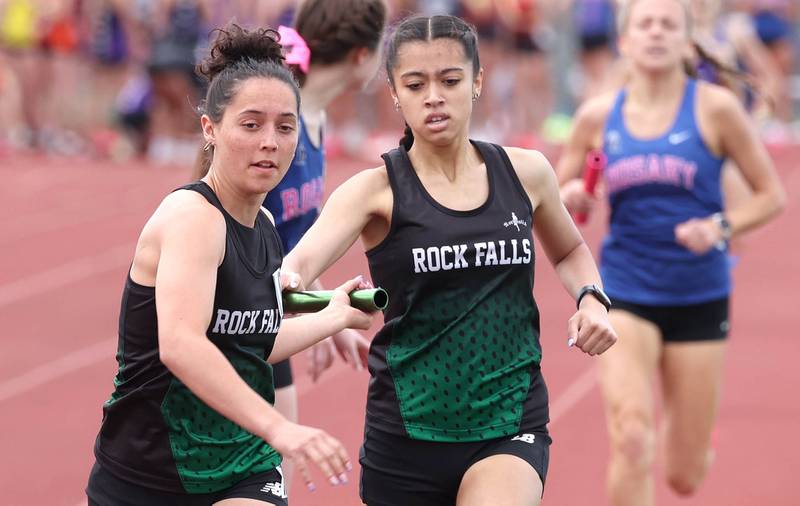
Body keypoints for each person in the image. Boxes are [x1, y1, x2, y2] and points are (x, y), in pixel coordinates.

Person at [282, 14, 618, 506]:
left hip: (508, 422)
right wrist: (328, 310)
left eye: (450, 80)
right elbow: (291, 275)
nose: (433, 96)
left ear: (477, 82)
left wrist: (591, 299)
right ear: (395, 94)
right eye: (415, 84)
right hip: (406, 432)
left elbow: (569, 249)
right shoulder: (373, 193)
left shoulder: (526, 173)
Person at [86, 24, 376, 505]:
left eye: (285, 127)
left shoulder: (263, 223)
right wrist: (281, 429)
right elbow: (180, 345)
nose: (270, 142)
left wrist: (335, 315)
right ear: (210, 129)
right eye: (251, 124)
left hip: (240, 465)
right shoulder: (191, 218)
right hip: (146, 476)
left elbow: (250, 344)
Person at [556, 1, 786, 504]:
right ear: (625, 40)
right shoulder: (598, 116)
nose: (656, 32)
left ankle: (697, 443)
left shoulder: (715, 109)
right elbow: (553, 202)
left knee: (684, 476)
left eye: (667, 24)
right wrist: (571, 196)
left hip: (698, 295)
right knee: (633, 436)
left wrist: (720, 226)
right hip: (625, 293)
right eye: (645, 23)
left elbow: (772, 195)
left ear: (687, 40)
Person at [193, 0, 388, 492]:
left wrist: (323, 314)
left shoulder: (311, 120)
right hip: (230, 316)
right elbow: (223, 210)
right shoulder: (277, 120)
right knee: (242, 473)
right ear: (362, 54)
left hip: (266, 313)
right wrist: (320, 316)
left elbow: (293, 238)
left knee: (266, 474)